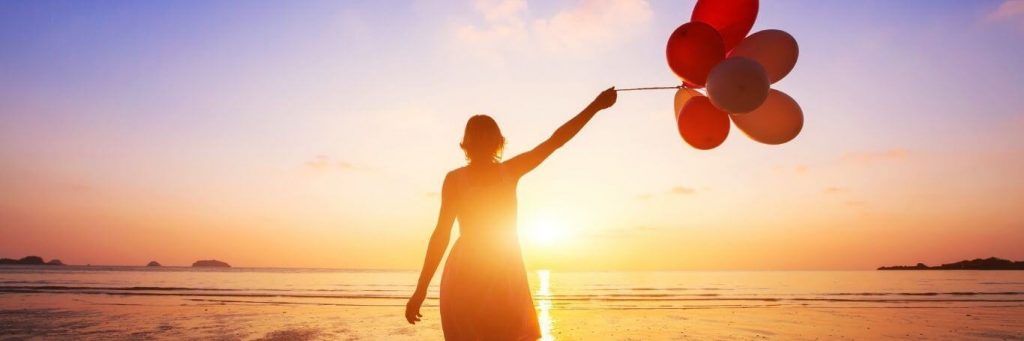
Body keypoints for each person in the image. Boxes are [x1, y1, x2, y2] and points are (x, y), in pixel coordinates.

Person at [405, 87, 617, 340]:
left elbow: (556, 141)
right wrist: (420, 290)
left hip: (495, 272)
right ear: (494, 142)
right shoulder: (478, 176)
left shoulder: (493, 174)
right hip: (479, 272)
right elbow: (440, 235)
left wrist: (595, 106)